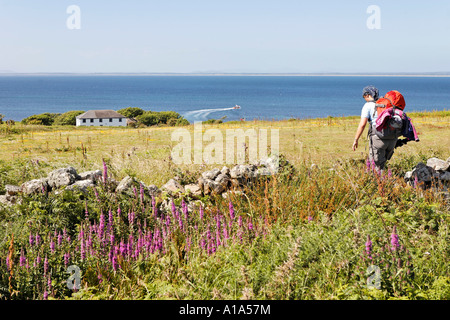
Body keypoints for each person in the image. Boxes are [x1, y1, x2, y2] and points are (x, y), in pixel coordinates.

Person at [352, 85, 398, 171]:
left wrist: (356, 139)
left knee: (375, 166)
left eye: (364, 96)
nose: (364, 98)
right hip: (392, 139)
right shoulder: (386, 104)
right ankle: (386, 181)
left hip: (378, 138)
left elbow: (362, 124)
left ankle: (379, 183)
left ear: (368, 95)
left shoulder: (368, 105)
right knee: (383, 164)